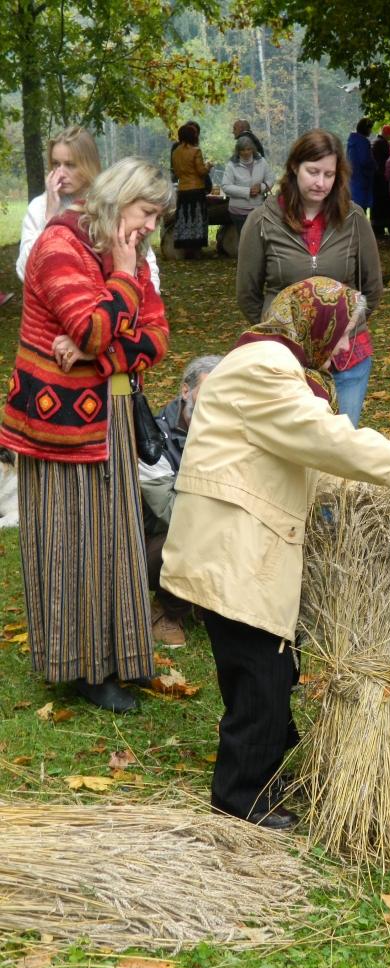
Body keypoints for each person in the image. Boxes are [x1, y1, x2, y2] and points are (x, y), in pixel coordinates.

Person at [160, 276, 390, 829]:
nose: (345, 349)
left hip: (242, 545)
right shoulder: (263, 369)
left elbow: (312, 459)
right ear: (318, 324)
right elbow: (324, 439)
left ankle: (266, 775)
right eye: (344, 334)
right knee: (259, 680)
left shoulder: (271, 364)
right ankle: (239, 803)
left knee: (272, 672)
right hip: (235, 550)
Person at [0, 157, 173, 714]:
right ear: (120, 199)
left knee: (115, 536)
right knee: (71, 543)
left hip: (112, 415)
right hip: (58, 427)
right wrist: (122, 277)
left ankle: (120, 654)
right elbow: (94, 326)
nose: (150, 227)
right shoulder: (59, 246)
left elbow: (157, 335)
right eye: (146, 213)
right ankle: (81, 668)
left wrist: (97, 356)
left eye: (156, 218)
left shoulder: (127, 252)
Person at [236, 129, 383, 427]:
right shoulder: (262, 220)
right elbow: (247, 294)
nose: (321, 183)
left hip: (348, 359)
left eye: (329, 174)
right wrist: (282, 330)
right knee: (293, 447)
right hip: (286, 362)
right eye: (313, 172)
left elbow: (372, 289)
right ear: (294, 167)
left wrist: (342, 330)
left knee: (340, 445)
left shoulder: (354, 219)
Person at [139, 355, 222, 648]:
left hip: (204, 523)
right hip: (151, 543)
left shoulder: (228, 433)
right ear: (185, 391)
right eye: (207, 393)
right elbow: (169, 512)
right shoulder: (151, 441)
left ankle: (206, 601)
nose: (215, 403)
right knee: (192, 535)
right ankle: (167, 611)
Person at [17, 125, 160, 291]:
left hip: (113, 299)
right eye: (56, 164)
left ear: (89, 164)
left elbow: (146, 260)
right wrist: (49, 218)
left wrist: (149, 298)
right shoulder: (40, 206)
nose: (60, 173)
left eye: (70, 165)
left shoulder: (110, 203)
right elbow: (24, 271)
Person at [171, 122, 213, 259]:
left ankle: (186, 248)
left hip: (183, 189)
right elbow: (201, 171)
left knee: (185, 219)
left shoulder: (176, 152)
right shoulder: (196, 151)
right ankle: (197, 250)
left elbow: (176, 172)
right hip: (196, 189)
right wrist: (208, 166)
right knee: (197, 219)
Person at [221, 135, 273, 237]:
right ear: (238, 151)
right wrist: (247, 191)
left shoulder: (261, 161)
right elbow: (226, 186)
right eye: (243, 150)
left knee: (258, 239)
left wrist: (261, 187)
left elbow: (271, 178)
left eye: (248, 149)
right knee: (244, 240)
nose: (246, 152)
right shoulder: (232, 165)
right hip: (238, 212)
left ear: (253, 149)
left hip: (258, 209)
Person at [346, 117, 375, 212]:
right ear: (366, 129)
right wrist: (374, 166)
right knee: (360, 211)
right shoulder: (363, 142)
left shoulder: (352, 142)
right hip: (362, 181)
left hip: (352, 182)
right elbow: (364, 161)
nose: (371, 131)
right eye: (370, 128)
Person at [371, 124, 390, 237]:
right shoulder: (383, 144)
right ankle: (383, 226)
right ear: (388, 134)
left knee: (377, 204)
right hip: (382, 178)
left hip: (376, 178)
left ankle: (377, 227)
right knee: (384, 203)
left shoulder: (376, 143)